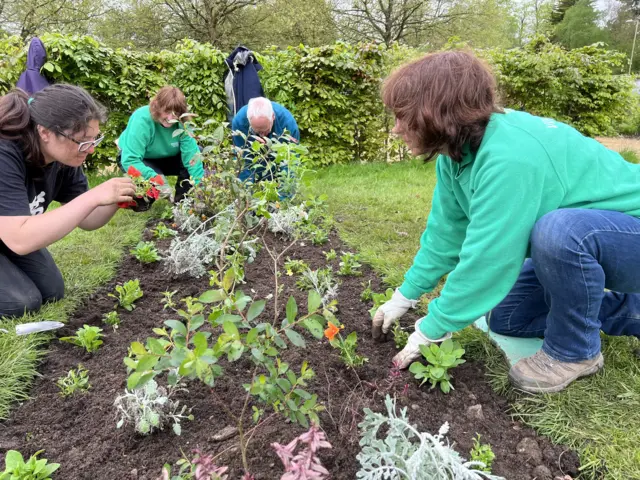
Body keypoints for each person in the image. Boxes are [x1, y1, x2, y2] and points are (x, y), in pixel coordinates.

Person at [372, 50, 640, 394]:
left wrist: (433, 327)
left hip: (629, 233)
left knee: (558, 233)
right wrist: (404, 296)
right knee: (507, 316)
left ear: (436, 114)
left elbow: (489, 259)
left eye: (403, 117)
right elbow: (446, 234)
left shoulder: (510, 157)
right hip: (602, 239)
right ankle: (631, 312)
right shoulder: (456, 154)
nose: (396, 129)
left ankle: (575, 352)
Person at [0, 85, 136, 318]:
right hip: (12, 234)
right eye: (83, 141)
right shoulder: (6, 154)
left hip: (7, 232)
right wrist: (94, 195)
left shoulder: (63, 159)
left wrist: (119, 199)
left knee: (52, 291)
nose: (91, 149)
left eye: (95, 139)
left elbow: (88, 220)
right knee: (22, 303)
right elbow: (20, 239)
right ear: (45, 132)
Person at [117, 86, 204, 202]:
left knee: (199, 151)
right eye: (167, 112)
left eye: (175, 113)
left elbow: (193, 157)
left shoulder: (182, 123)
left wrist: (200, 188)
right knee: (147, 194)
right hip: (140, 159)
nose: (170, 118)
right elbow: (130, 160)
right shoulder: (141, 119)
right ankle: (140, 202)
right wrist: (156, 179)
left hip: (167, 158)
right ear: (157, 108)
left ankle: (183, 203)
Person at [232, 96, 300, 184]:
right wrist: (245, 194)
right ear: (249, 121)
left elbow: (290, 165)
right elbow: (243, 161)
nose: (262, 136)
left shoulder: (287, 123)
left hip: (277, 163)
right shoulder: (239, 122)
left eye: (265, 130)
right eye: (257, 131)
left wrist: (285, 195)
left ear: (273, 117)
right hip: (255, 163)